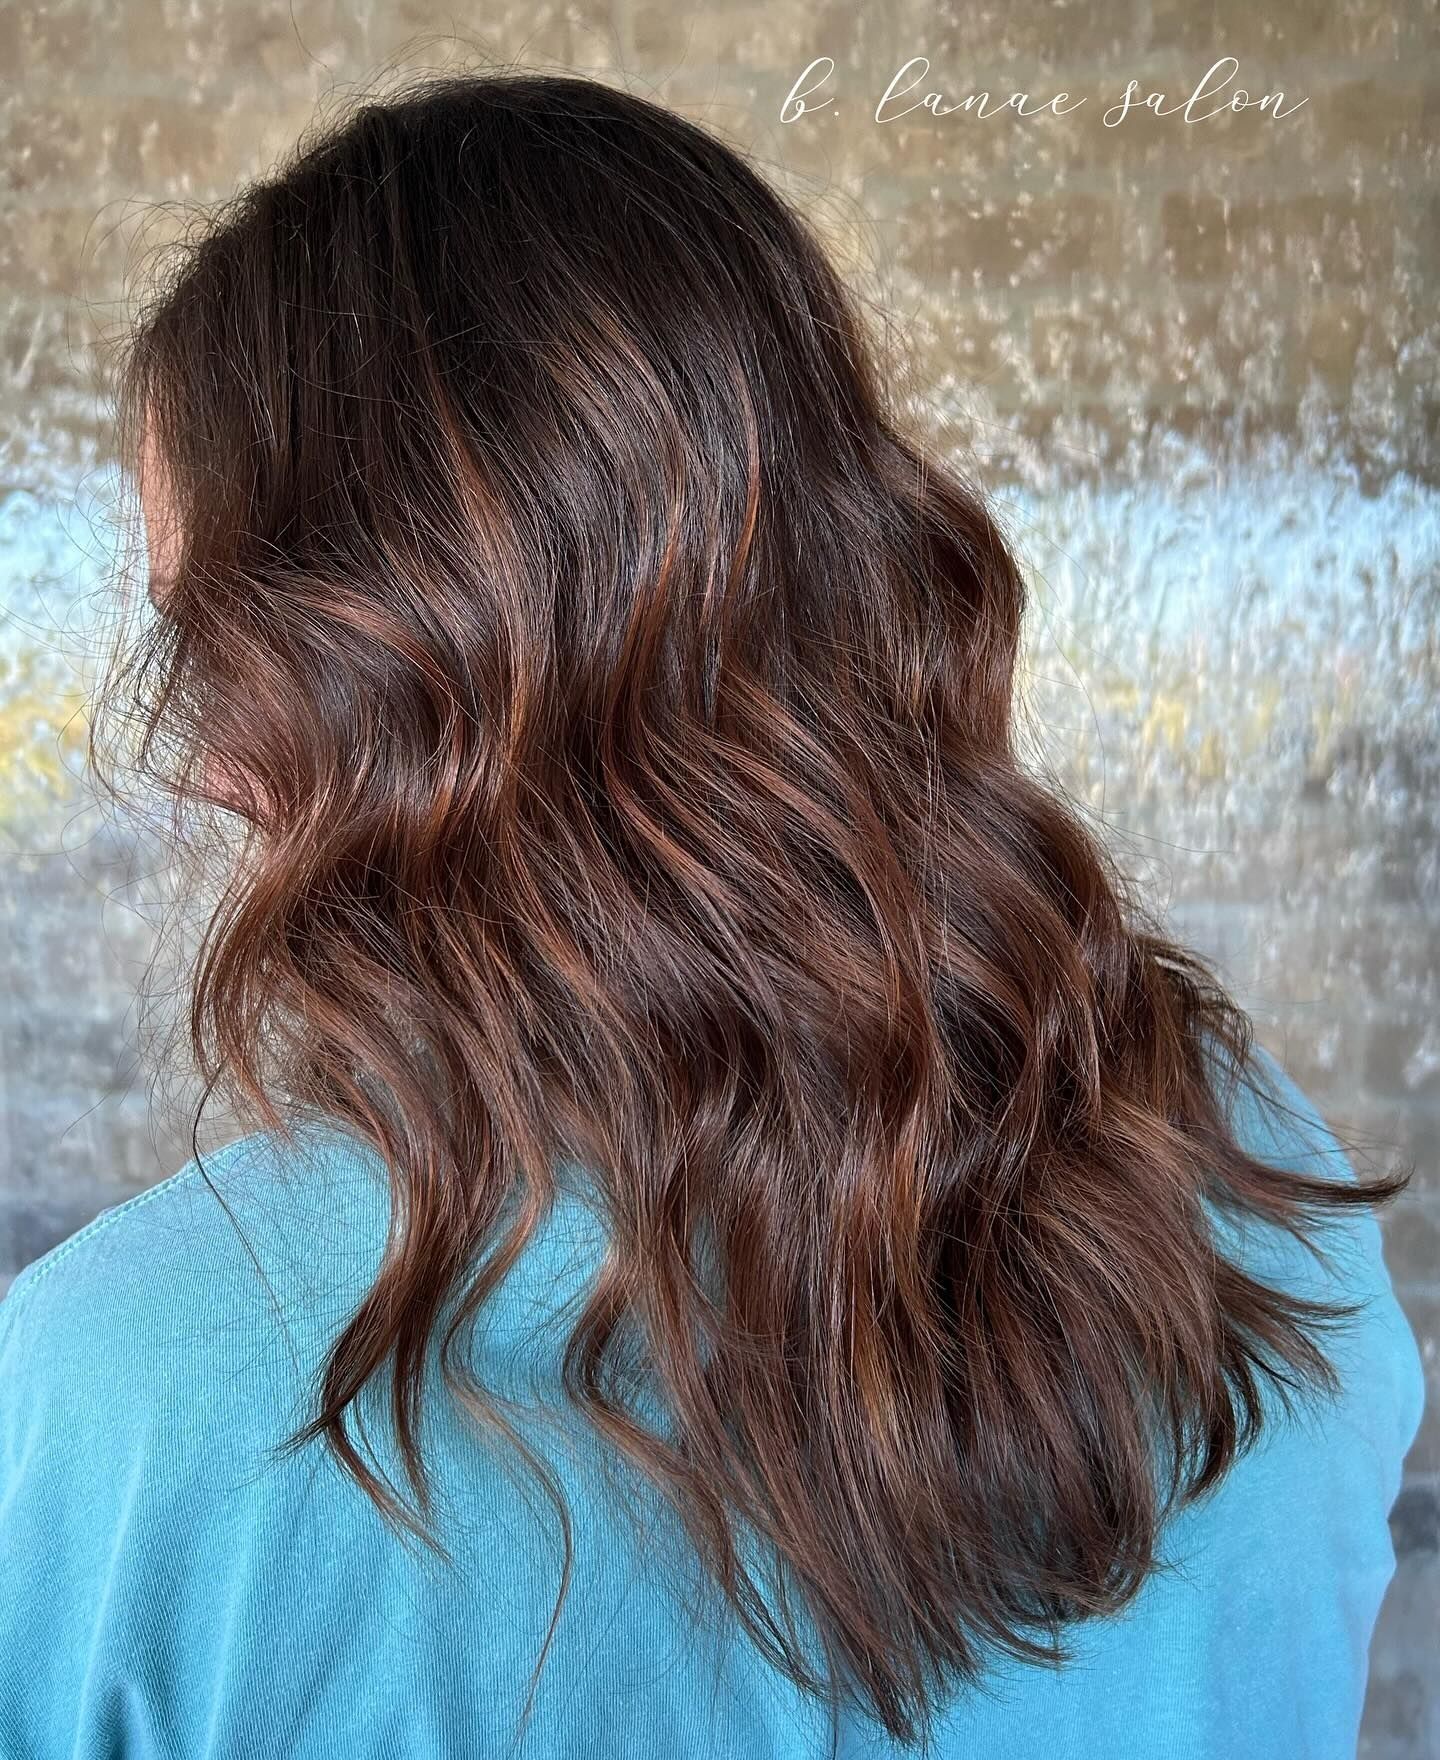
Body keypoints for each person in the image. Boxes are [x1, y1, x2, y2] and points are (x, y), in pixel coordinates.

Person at [0, 67, 1425, 1760]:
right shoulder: (1265, 1202)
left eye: (213, 643)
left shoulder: (117, 1407)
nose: (203, 768)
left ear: (376, 681)